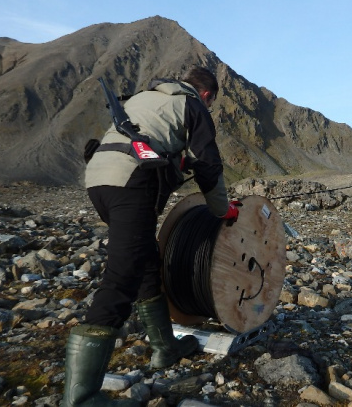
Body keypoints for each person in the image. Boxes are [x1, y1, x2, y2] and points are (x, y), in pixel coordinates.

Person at [64, 66, 239, 406]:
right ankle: (81, 397)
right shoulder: (193, 106)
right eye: (211, 102)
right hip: (130, 182)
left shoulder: (143, 99)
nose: (210, 107)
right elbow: (209, 163)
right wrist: (223, 211)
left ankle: (164, 348)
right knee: (122, 275)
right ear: (206, 95)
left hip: (99, 179)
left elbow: (150, 145)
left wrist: (176, 164)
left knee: (145, 259)